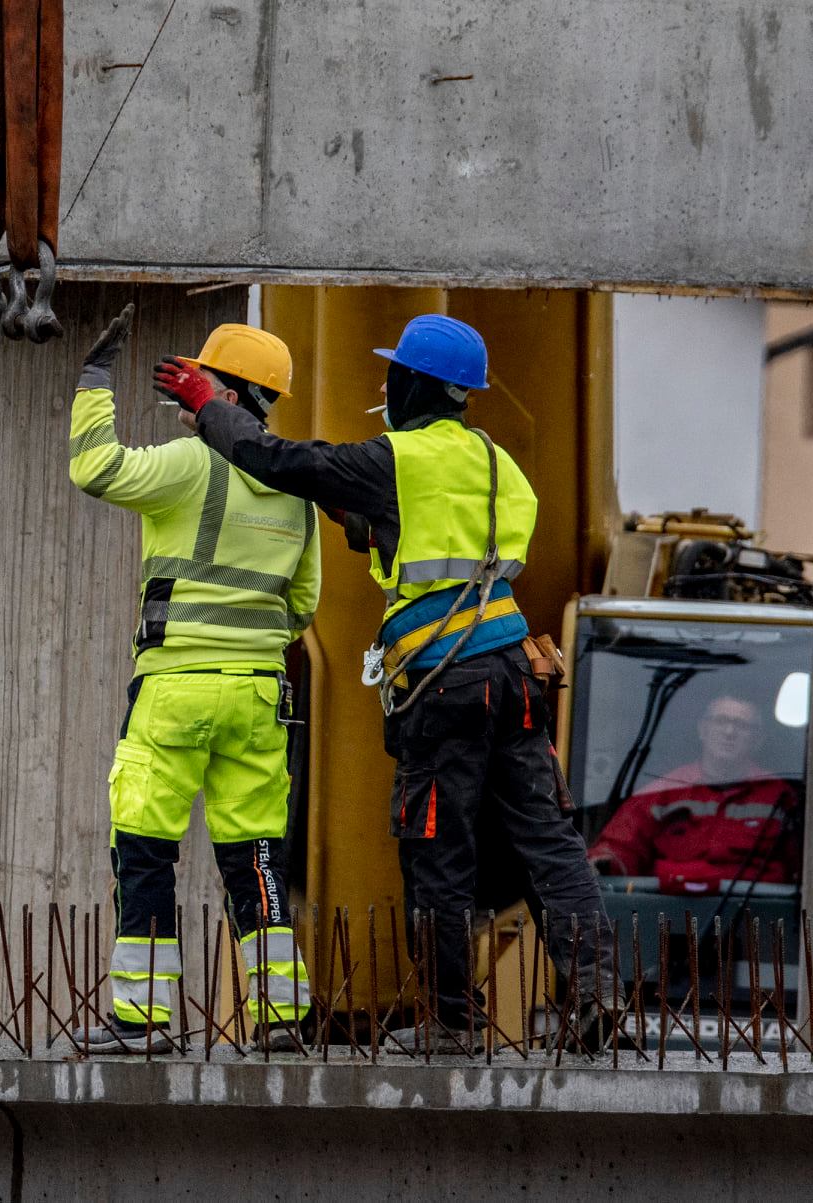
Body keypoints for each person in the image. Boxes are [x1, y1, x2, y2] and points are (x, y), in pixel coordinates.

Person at [155, 313, 616, 1051]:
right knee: (549, 843)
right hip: (513, 668)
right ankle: (598, 994)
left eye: (392, 374)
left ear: (415, 384)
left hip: (448, 681)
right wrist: (354, 508)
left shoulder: (401, 458)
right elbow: (429, 536)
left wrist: (210, 407)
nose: (383, 385)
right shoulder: (501, 468)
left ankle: (453, 1025)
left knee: (438, 850)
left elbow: (280, 460)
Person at [69, 304, 320, 1054]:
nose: (188, 399)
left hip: (175, 688)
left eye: (201, 386)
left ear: (229, 397)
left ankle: (144, 1021)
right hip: (256, 695)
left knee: (145, 845)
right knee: (257, 862)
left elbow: (95, 467)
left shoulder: (188, 465)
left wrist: (93, 381)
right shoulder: (297, 490)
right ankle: (283, 1019)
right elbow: (303, 604)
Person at [589, 694, 802, 889]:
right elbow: (621, 847)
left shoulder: (780, 797)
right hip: (668, 919)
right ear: (703, 730)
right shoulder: (663, 792)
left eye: (742, 725)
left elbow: (804, 867)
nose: (729, 732)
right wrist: (605, 862)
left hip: (759, 921)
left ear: (758, 739)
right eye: (721, 721)